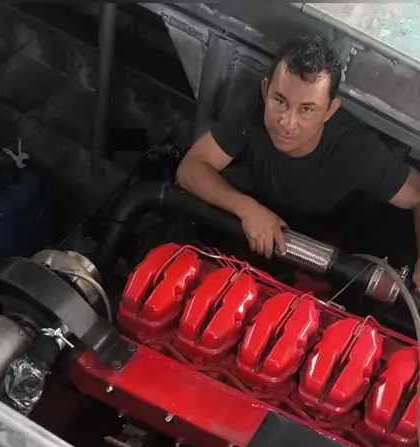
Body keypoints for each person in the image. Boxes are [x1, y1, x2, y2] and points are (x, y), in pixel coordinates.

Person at [176, 34, 420, 288]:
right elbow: (191, 168)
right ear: (265, 91)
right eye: (280, 101)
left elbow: (417, 193)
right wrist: (247, 208)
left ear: (330, 111)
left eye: (307, 109)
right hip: (264, 224)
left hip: (336, 250)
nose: (288, 123)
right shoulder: (252, 108)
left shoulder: (355, 149)